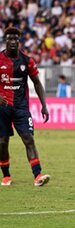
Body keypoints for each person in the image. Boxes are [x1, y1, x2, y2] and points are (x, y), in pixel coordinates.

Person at [0, 27, 50, 186]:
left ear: (19, 41)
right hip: (2, 109)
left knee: (28, 138)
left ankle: (38, 176)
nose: (13, 42)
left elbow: (37, 83)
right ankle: (6, 176)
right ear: (6, 40)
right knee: (2, 142)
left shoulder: (27, 60)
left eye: (16, 39)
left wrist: (44, 105)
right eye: (10, 38)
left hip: (21, 107)